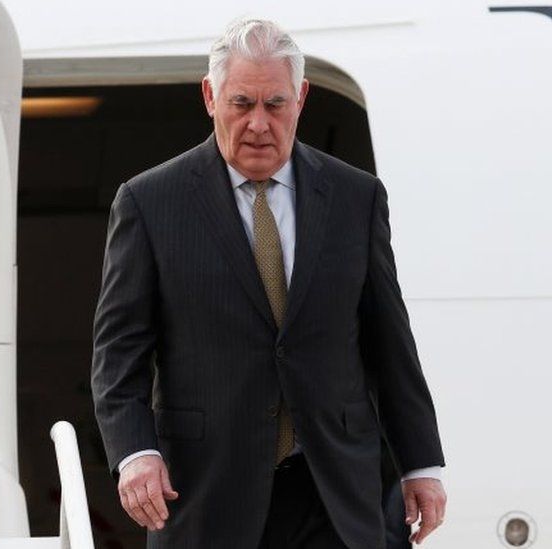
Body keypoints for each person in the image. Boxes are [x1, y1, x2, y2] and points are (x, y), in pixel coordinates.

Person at [90, 18, 447, 549]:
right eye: (242, 104)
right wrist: (135, 453)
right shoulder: (149, 203)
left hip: (334, 492)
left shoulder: (357, 198)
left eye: (275, 105)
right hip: (207, 491)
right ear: (211, 97)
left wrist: (422, 462)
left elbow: (390, 341)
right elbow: (118, 354)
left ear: (301, 98)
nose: (258, 123)